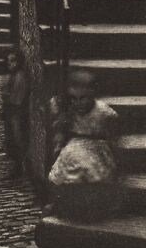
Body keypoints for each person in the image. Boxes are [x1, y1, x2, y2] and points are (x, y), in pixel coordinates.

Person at [47, 69, 121, 222]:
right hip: (75, 144)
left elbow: (112, 135)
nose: (78, 103)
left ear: (93, 95)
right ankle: (65, 202)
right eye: (73, 98)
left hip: (96, 146)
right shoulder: (69, 111)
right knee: (67, 163)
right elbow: (60, 128)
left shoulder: (104, 113)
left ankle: (93, 206)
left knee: (89, 167)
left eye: (83, 98)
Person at [0, 48, 29, 179]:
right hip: (10, 112)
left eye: (13, 61)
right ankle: (16, 167)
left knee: (17, 140)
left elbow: (17, 98)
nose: (10, 64)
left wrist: (7, 98)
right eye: (8, 61)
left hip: (16, 113)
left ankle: (20, 168)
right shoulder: (11, 76)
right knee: (11, 139)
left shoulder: (20, 77)